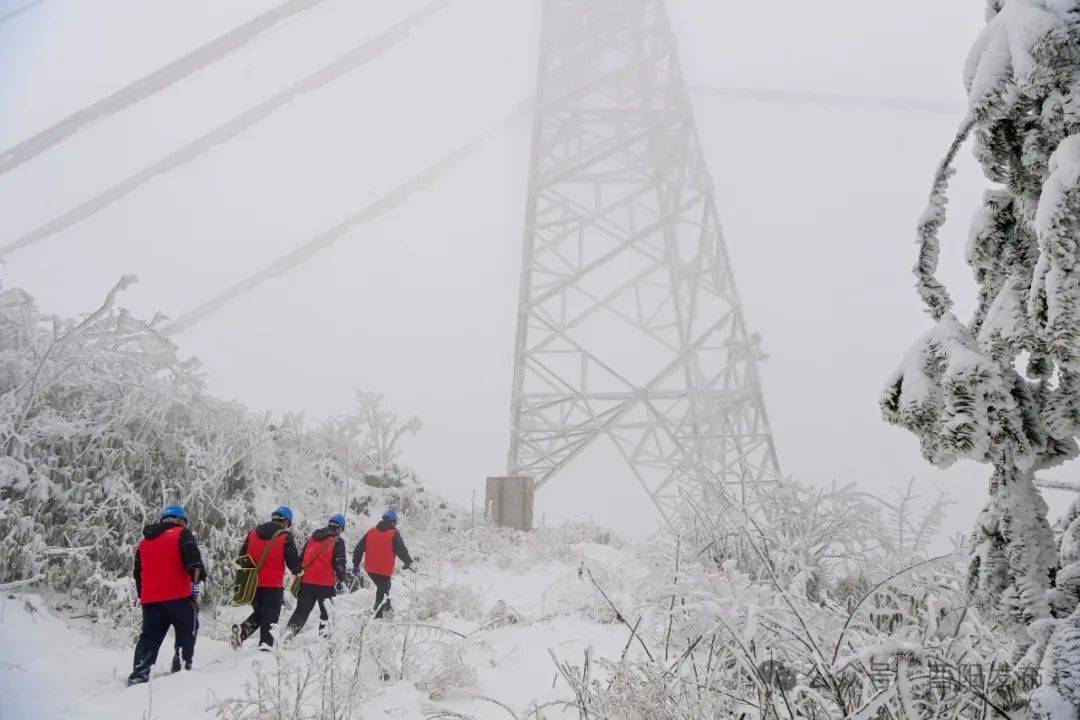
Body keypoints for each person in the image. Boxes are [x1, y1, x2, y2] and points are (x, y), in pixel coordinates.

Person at [128, 504, 205, 686]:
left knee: (149, 637)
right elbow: (194, 564)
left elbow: (138, 572)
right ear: (180, 520)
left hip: (151, 601)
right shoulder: (181, 534)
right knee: (188, 629)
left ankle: (140, 672)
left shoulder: (144, 542)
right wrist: (199, 578)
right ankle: (182, 665)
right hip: (178, 597)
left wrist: (143, 594)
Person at [231, 506, 301, 650]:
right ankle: (264, 650)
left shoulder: (253, 534)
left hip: (252, 585)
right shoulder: (284, 536)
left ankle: (241, 633)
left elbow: (241, 558)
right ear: (285, 521)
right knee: (269, 620)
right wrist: (300, 570)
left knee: (261, 614)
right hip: (273, 586)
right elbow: (293, 564)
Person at [285, 514, 348, 637]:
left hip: (307, 582)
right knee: (326, 614)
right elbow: (339, 564)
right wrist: (342, 579)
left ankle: (287, 636)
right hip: (325, 584)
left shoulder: (313, 538)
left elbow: (302, 558)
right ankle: (324, 642)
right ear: (340, 528)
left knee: (301, 612)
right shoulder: (338, 541)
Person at [352, 509, 414, 619]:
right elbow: (401, 550)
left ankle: (388, 611)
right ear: (394, 521)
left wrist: (356, 564)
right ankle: (378, 616)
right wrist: (408, 562)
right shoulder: (394, 533)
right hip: (384, 570)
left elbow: (358, 548)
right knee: (383, 589)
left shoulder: (371, 531)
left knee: (384, 588)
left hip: (370, 569)